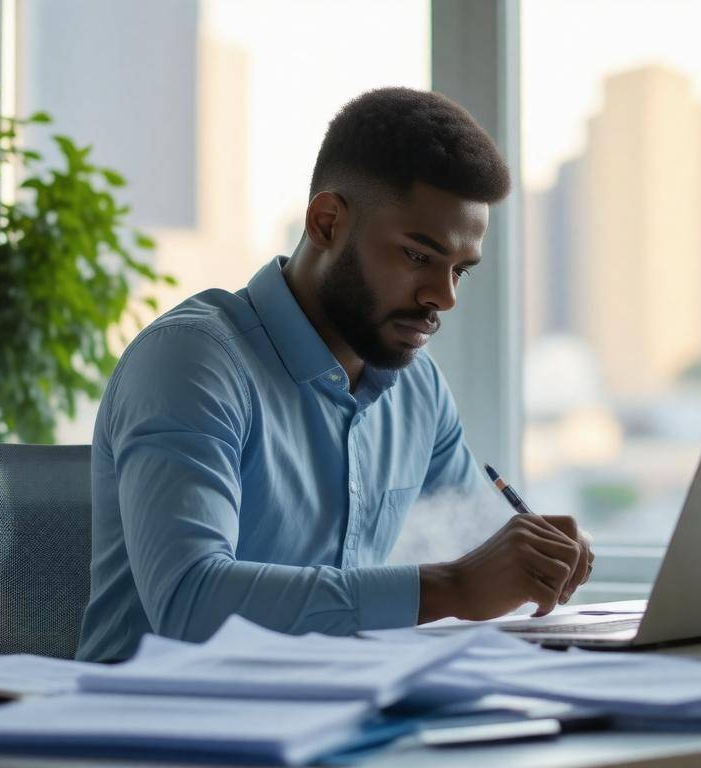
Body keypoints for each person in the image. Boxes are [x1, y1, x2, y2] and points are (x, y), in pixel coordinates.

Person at [77, 87, 594, 662]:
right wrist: (450, 587)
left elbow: (473, 553)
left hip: (340, 719)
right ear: (327, 222)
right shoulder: (191, 361)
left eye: (460, 272)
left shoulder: (419, 391)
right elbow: (190, 603)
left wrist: (535, 563)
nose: (442, 298)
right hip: (159, 736)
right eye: (419, 256)